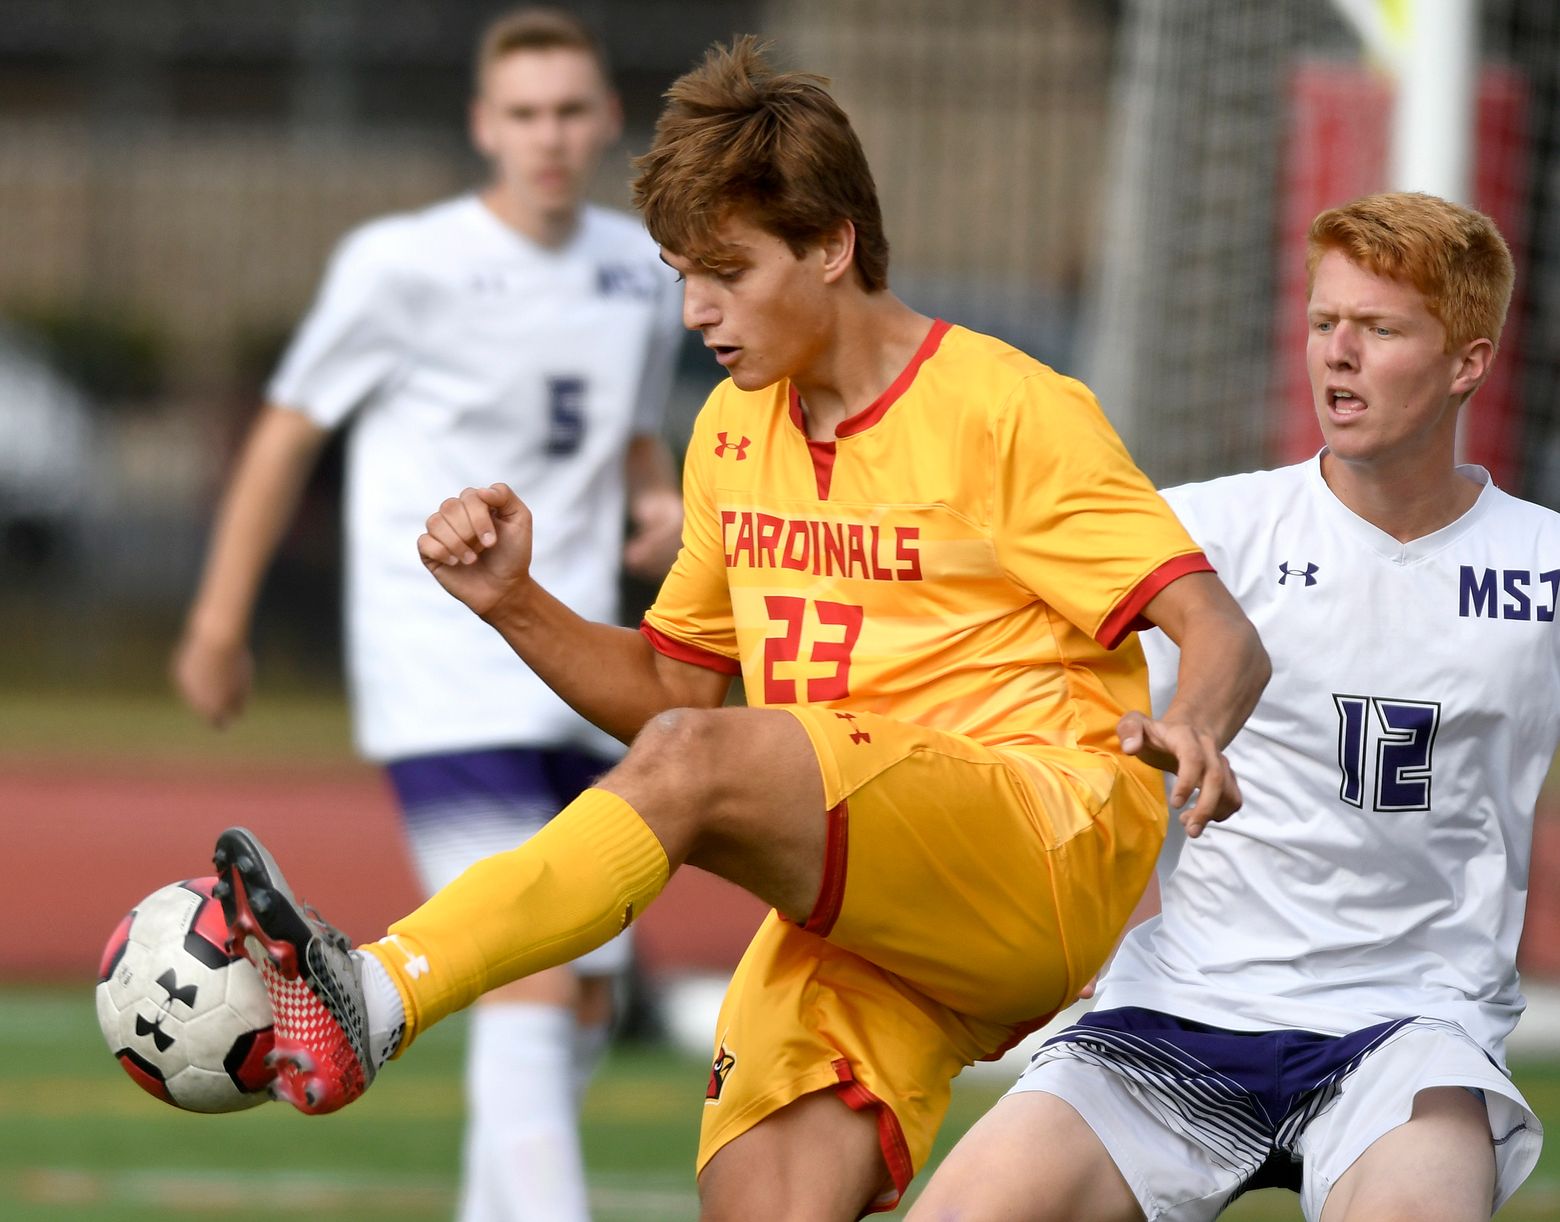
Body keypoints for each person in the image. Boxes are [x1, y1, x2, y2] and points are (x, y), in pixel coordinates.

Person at [208, 37, 1269, 1220]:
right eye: (677, 272)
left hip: (1041, 842)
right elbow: (677, 692)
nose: (695, 309)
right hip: (874, 899)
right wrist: (516, 600)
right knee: (758, 1199)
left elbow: (1216, 626)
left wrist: (1197, 723)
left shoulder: (1012, 409)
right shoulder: (731, 428)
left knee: (698, 767)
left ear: (831, 245)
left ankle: (379, 990)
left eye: (725, 269)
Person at [911, 191, 1554, 1222]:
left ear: (1467, 364)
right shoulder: (1202, 534)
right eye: (1322, 322)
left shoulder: (1544, 566)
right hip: (1183, 1005)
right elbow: (992, 668)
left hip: (1409, 1029)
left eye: (1379, 329)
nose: (1337, 354)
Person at [171, 9, 684, 1221]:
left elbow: (626, 424)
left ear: (605, 120)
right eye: (522, 114)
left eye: (569, 111)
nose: (547, 136)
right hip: (441, 666)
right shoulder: (402, 264)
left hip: (575, 661)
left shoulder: (634, 269)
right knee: (530, 982)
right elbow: (290, 426)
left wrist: (654, 491)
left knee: (586, 988)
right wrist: (218, 617)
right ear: (481, 127)